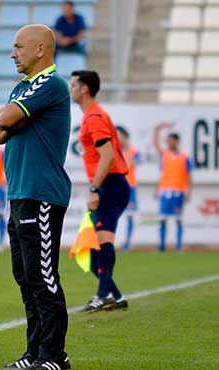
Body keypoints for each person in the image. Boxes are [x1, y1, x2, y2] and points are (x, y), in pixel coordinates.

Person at [0, 24, 72, 370]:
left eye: (18, 46)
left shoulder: (50, 84)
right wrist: (13, 121)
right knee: (24, 275)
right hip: (20, 192)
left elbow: (5, 118)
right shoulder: (24, 87)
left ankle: (54, 355)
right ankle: (35, 351)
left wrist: (14, 120)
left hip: (42, 195)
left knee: (43, 276)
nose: (12, 53)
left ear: (40, 50)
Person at [70, 69, 130, 313]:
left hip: (111, 185)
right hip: (109, 185)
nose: (70, 88)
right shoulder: (93, 115)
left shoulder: (93, 117)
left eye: (73, 85)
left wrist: (94, 188)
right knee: (93, 249)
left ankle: (104, 295)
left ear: (84, 89)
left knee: (101, 244)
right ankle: (114, 295)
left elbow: (108, 155)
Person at [154, 132, 193, 252]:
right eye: (168, 140)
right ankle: (161, 246)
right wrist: (157, 189)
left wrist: (188, 191)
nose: (169, 143)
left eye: (171, 140)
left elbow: (189, 175)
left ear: (177, 141)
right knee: (162, 219)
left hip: (178, 191)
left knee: (178, 219)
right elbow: (163, 174)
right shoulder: (164, 155)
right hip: (165, 191)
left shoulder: (185, 157)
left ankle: (179, 246)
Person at [118, 126, 140, 252]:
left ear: (125, 138)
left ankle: (127, 243)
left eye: (120, 136)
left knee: (130, 216)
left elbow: (133, 165)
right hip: (117, 187)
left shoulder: (133, 152)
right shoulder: (115, 151)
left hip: (129, 187)